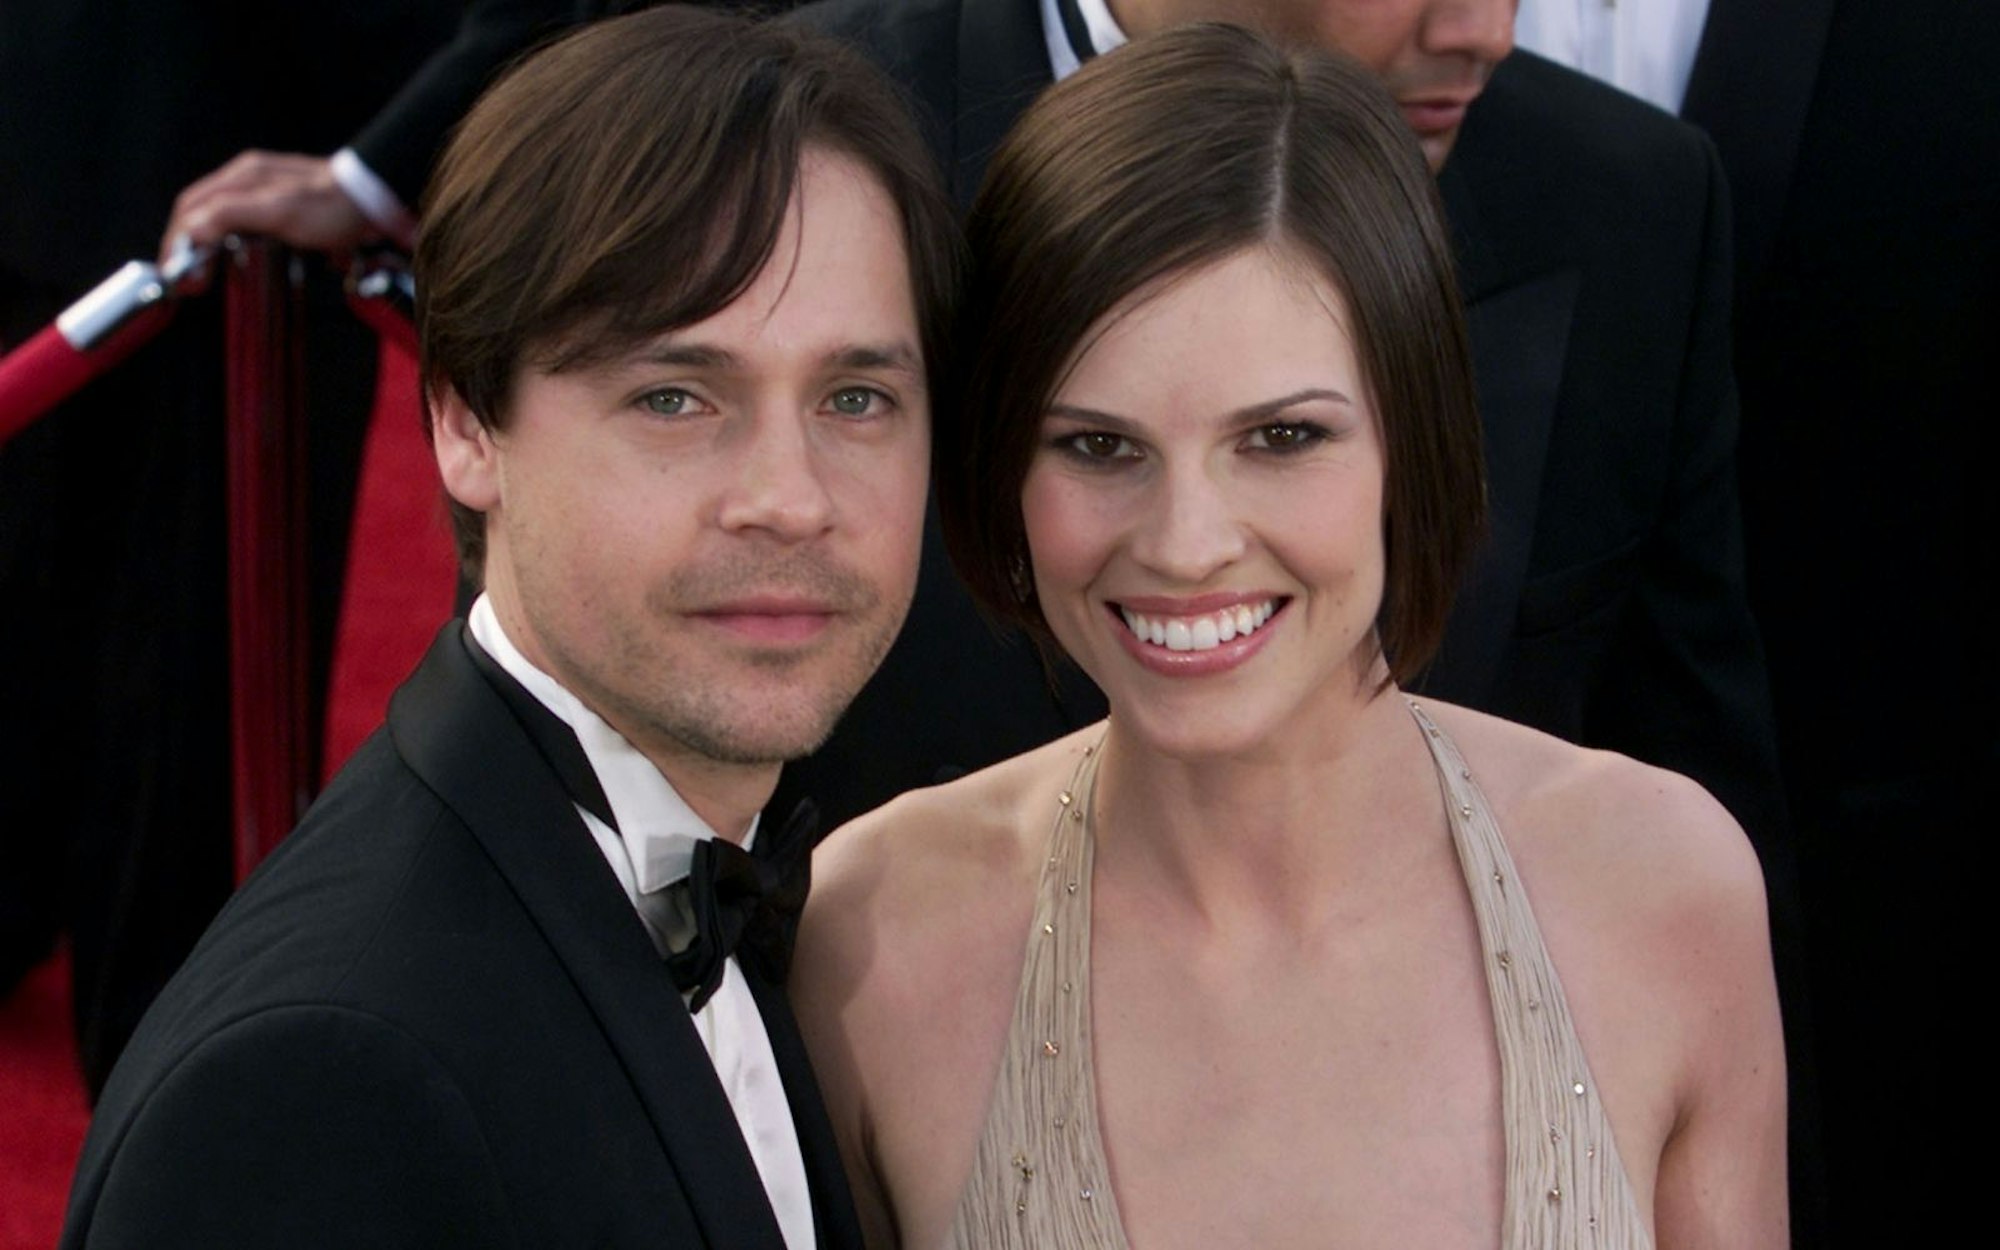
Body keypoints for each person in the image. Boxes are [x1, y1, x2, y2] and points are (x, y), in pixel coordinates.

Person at [793, 24, 1787, 1249]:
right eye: (1098, 446)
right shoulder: (876, 939)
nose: (1186, 540)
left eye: (1280, 437)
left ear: (1406, 439)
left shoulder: (1661, 890)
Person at [57, 7, 958, 1247]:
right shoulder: (317, 1082)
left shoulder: (713, 876)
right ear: (465, 425)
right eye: (676, 396)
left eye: (856, 396)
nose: (789, 499)